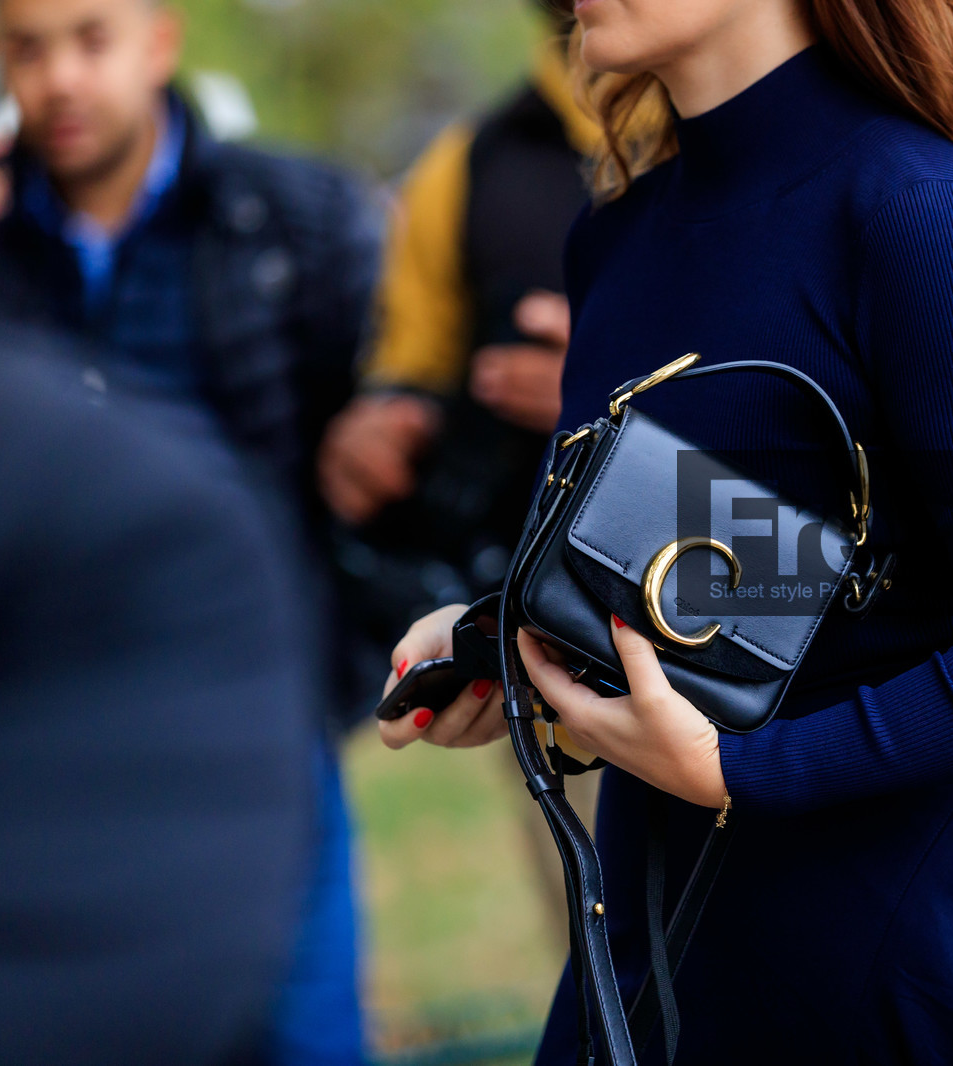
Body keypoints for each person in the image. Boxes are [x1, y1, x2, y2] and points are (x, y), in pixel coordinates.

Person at [378, 1, 953, 1064]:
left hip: (944, 973)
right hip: (685, 959)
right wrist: (504, 636)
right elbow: (758, 584)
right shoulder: (616, 240)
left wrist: (745, 768)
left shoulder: (911, 207)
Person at [0, 1, 381, 1062]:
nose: (59, 81)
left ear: (160, 41)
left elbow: (377, 422)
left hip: (259, 697)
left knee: (301, 1030)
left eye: (91, 40)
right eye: (27, 49)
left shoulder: (293, 215)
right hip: (16, 727)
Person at [317, 10, 603, 935]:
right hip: (549, 652)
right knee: (602, 960)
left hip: (770, 649)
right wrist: (374, 430)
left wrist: (612, 397)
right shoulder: (467, 165)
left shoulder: (802, 157)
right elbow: (408, 368)